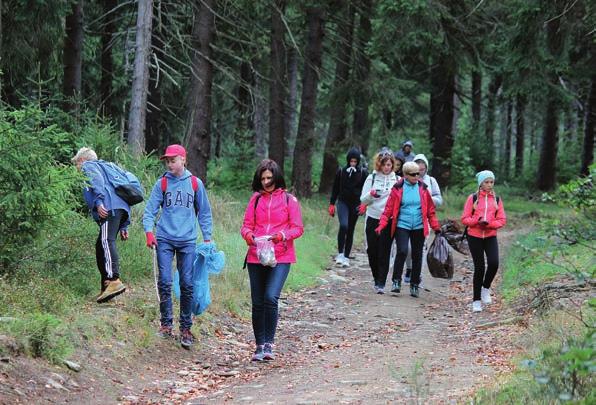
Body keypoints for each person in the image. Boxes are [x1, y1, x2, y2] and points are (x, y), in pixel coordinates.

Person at [143, 144, 213, 349]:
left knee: (187, 284)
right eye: (167, 160)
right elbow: (149, 211)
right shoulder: (162, 184)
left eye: (173, 160)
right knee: (164, 280)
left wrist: (207, 237)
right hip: (164, 238)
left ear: (183, 159)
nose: (170, 163)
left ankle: (185, 328)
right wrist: (149, 232)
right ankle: (166, 325)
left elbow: (205, 212)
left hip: (188, 240)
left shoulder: (194, 183)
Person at [241, 159, 304, 361]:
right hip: (256, 255)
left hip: (281, 254)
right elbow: (246, 225)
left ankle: (269, 343)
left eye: (269, 178)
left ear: (276, 177)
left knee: (271, 297)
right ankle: (259, 346)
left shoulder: (289, 200)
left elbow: (298, 228)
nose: (266, 182)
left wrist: (282, 236)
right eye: (263, 178)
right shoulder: (255, 200)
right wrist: (249, 236)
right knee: (258, 302)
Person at [73, 147, 130, 304]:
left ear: (82, 160)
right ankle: (106, 289)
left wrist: (98, 202)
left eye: (76, 163)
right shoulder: (109, 167)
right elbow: (124, 191)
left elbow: (96, 182)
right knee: (100, 245)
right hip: (120, 209)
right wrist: (125, 224)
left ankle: (113, 280)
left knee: (106, 240)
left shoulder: (89, 166)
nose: (77, 168)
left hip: (108, 207)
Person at [376, 162, 441, 298]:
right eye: (413, 174)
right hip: (402, 225)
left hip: (419, 226)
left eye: (418, 173)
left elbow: (430, 211)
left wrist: (435, 227)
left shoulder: (423, 188)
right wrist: (381, 225)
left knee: (417, 255)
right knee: (402, 251)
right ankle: (396, 281)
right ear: (405, 175)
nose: (416, 176)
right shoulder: (398, 188)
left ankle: (414, 284)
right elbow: (388, 209)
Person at [461, 170, 506, 312]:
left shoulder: (497, 200)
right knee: (479, 268)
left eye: (491, 182)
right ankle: (476, 301)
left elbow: (502, 219)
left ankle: (485, 288)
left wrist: (490, 224)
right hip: (474, 235)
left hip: (490, 235)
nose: (489, 184)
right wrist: (477, 221)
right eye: (486, 182)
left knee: (494, 263)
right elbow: (465, 219)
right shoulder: (473, 198)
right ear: (480, 183)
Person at [401, 153, 443, 284]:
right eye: (417, 167)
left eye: (422, 167)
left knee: (420, 248)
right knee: (407, 248)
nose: (420, 170)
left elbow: (439, 198)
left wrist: (428, 199)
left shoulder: (431, 181)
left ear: (426, 168)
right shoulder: (406, 180)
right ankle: (409, 268)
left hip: (424, 220)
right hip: (407, 219)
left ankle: (417, 274)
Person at [360, 150, 398, 294]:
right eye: (384, 165)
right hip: (373, 217)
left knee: (385, 250)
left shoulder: (397, 180)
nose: (387, 167)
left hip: (388, 220)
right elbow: (362, 200)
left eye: (389, 165)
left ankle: (381, 282)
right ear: (379, 165)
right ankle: (376, 277)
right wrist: (371, 194)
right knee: (372, 250)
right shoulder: (372, 177)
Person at [328, 148, 368, 267]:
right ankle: (340, 254)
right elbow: (335, 188)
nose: (353, 164)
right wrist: (331, 203)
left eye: (355, 162)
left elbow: (366, 190)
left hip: (355, 204)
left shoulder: (363, 173)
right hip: (343, 202)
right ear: (348, 160)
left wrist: (364, 205)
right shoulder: (341, 171)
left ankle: (346, 256)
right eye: (351, 161)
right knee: (344, 225)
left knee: (350, 229)